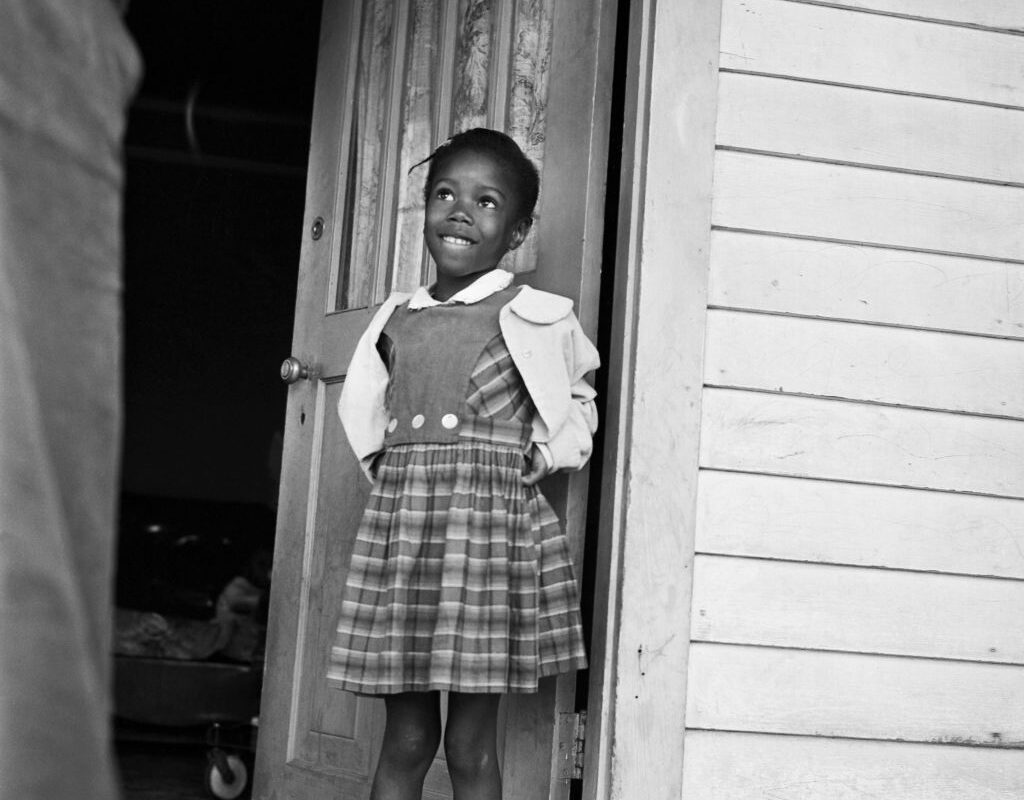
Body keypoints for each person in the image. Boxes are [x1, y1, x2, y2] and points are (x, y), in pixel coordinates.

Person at [329, 128, 599, 800]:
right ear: (424, 209)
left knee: (470, 744)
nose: (460, 210)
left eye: (486, 202)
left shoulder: (538, 316)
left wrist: (548, 451)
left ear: (517, 230)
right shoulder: (397, 317)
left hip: (487, 542)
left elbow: (580, 399)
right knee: (408, 739)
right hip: (409, 538)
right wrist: (393, 475)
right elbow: (365, 409)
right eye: (445, 194)